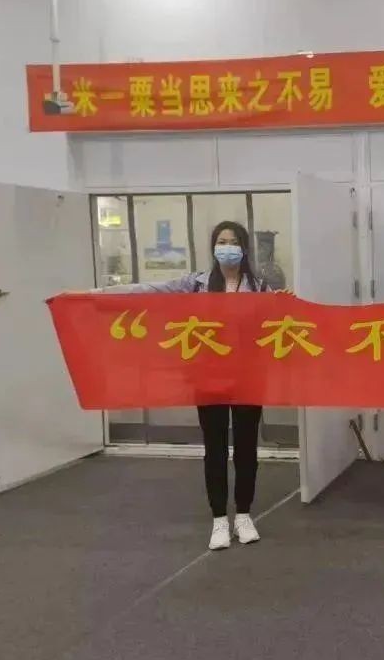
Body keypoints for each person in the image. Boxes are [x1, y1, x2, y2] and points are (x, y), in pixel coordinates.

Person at [90, 221, 288, 552]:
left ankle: (243, 515)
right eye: (222, 241)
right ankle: (219, 520)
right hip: (208, 376)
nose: (227, 247)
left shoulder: (261, 286)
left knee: (245, 449)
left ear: (244, 248)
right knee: (215, 448)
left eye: (233, 241)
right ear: (213, 247)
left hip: (248, 376)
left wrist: (285, 303)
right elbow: (151, 291)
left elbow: (282, 321)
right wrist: (98, 295)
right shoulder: (195, 284)